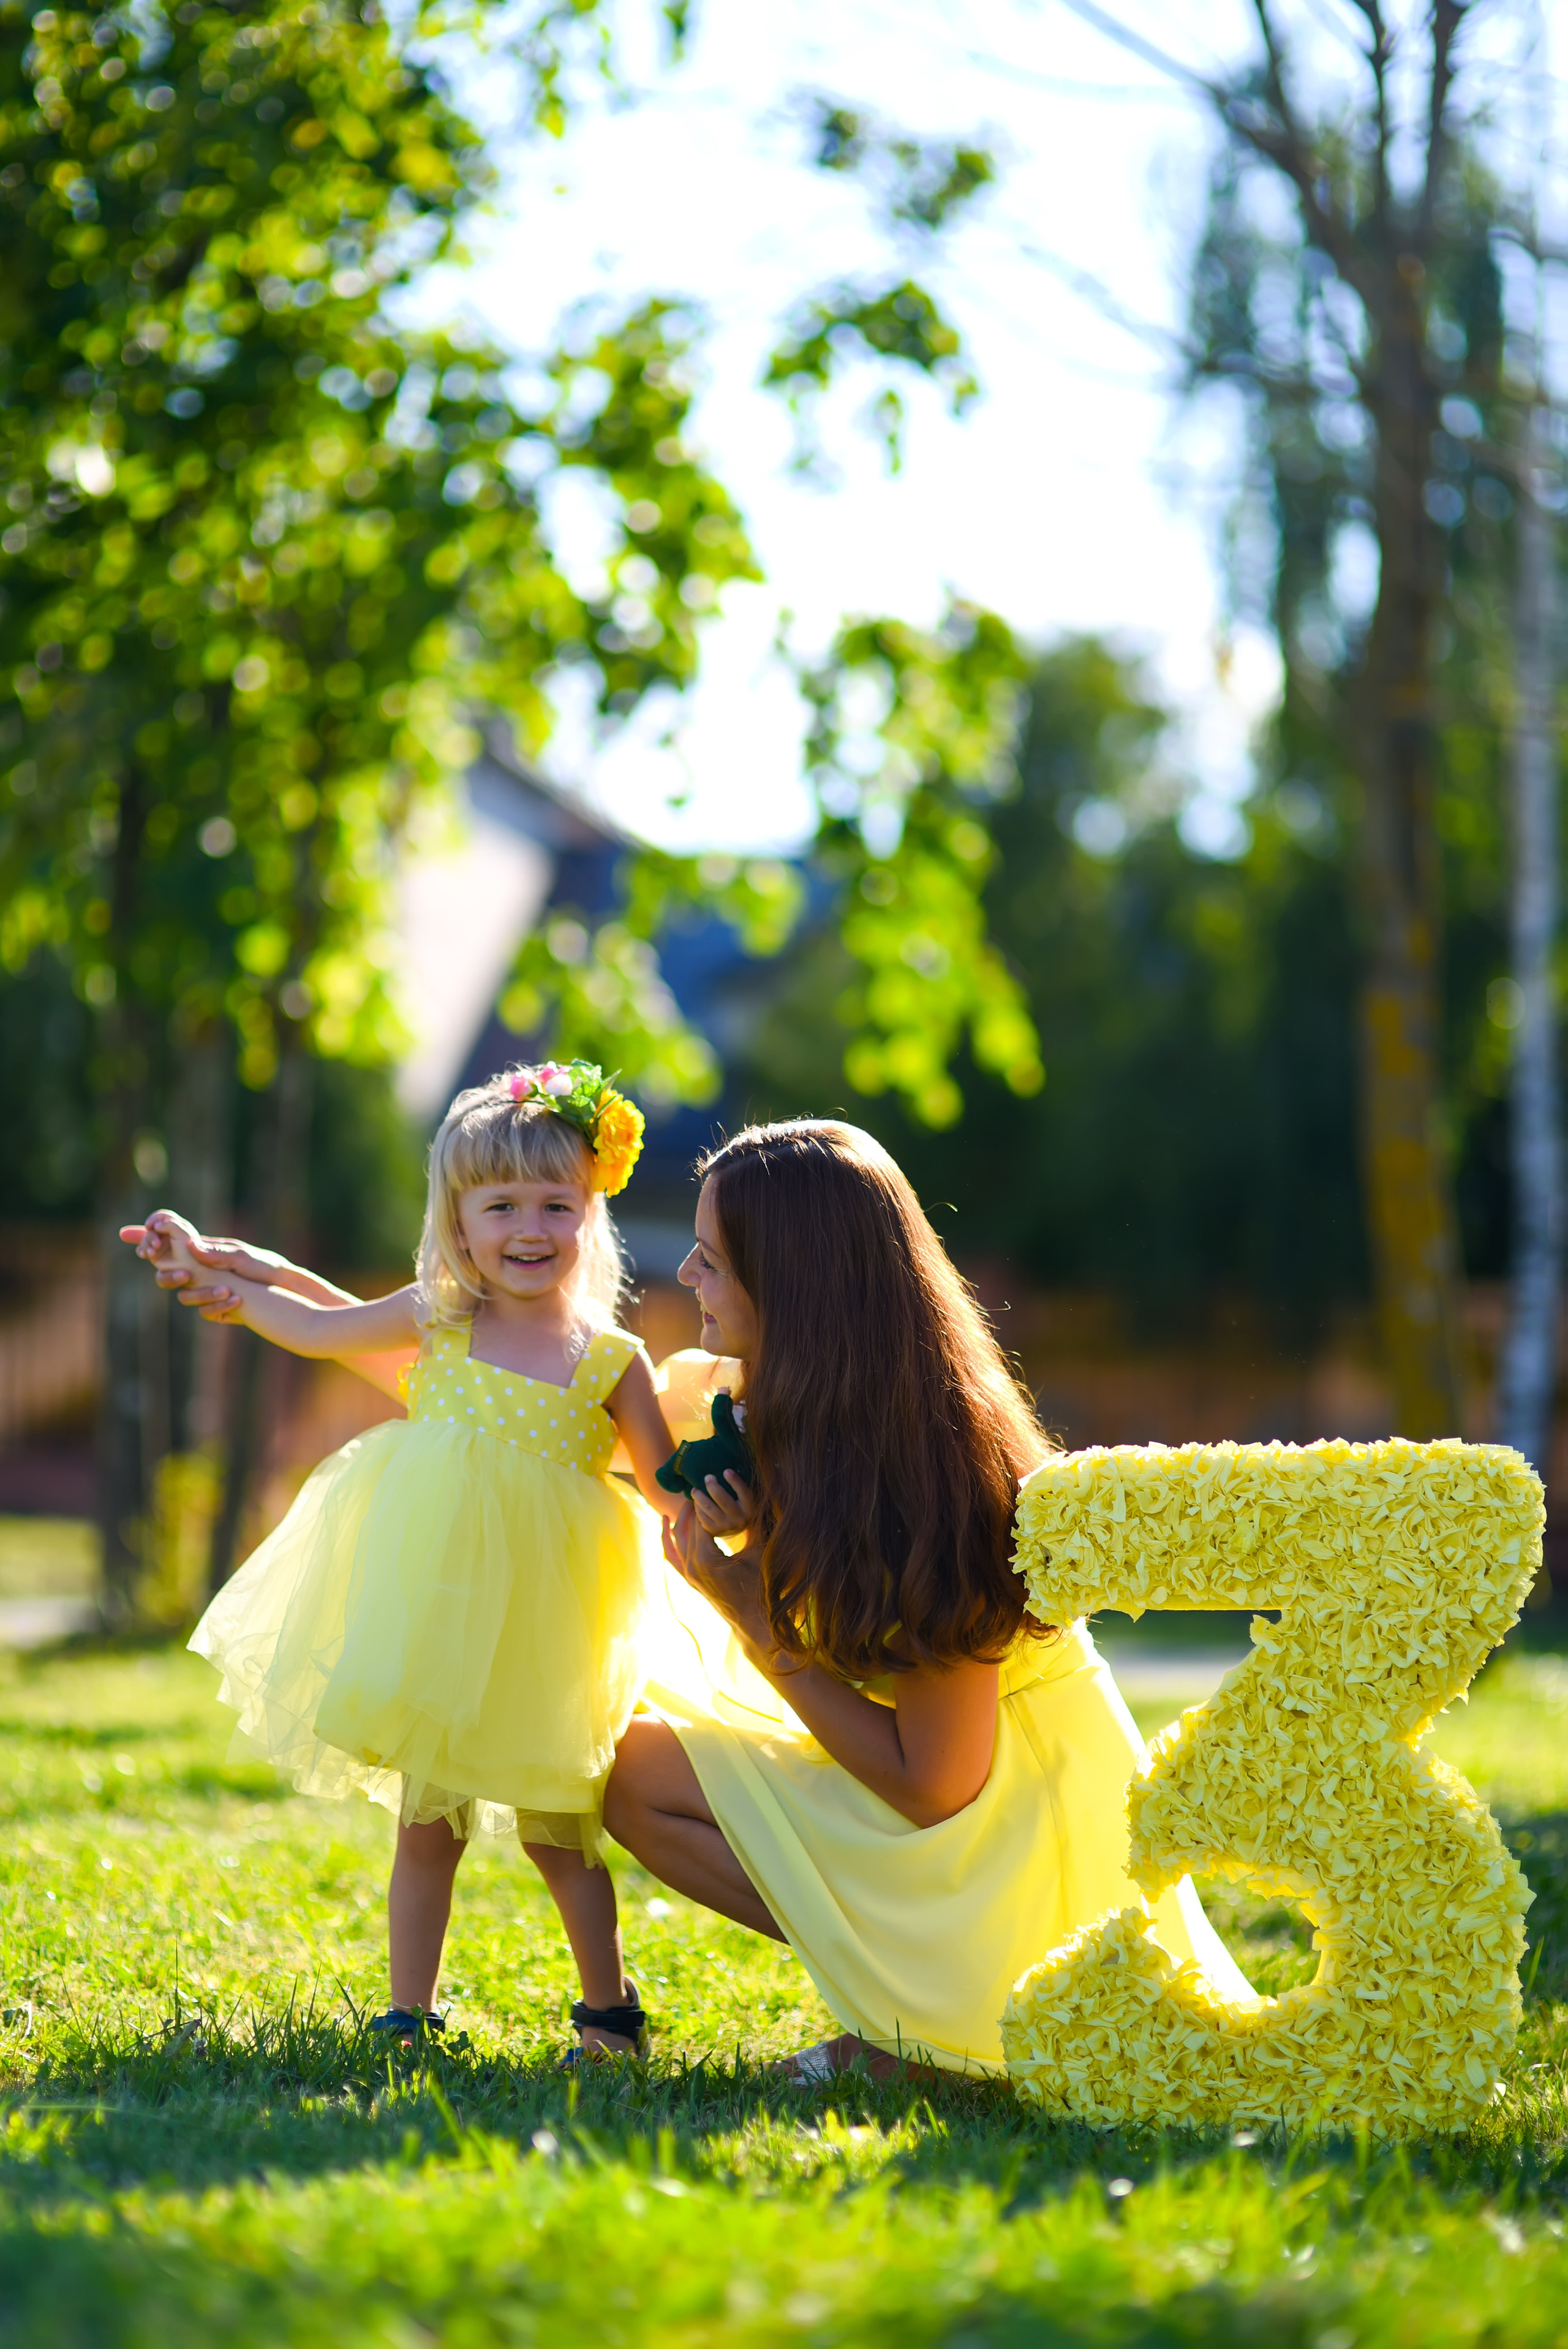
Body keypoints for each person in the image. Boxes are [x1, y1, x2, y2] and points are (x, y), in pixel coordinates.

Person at [606, 1119, 1256, 2079]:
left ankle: (940, 2022)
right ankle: (907, 1997)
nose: (688, 1272)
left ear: (789, 1284)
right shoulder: (792, 1410)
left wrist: (755, 1618)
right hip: (955, 1822)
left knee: (651, 1769)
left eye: (714, 1257)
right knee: (631, 1771)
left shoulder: (928, 1474)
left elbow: (935, 1784)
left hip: (1022, 1843)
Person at [123, 1062, 676, 2059]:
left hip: (547, 1624)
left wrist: (737, 1469)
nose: (530, 1228)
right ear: (459, 1221)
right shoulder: (442, 1317)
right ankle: (408, 2012)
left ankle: (609, 2011)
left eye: (556, 1204)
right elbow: (320, 1326)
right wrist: (224, 1276)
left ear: (590, 1214)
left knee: (559, 1833)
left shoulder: (611, 1358)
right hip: (442, 1614)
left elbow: (668, 1485)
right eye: (501, 1206)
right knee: (428, 1826)